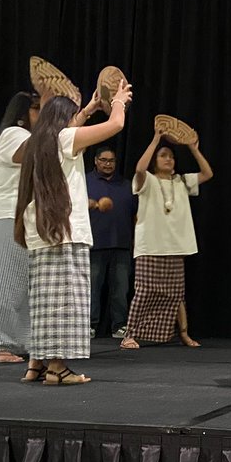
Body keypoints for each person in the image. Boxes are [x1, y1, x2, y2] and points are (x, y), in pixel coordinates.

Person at [15, 83, 131, 385]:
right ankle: (57, 368)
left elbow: (71, 128)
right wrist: (118, 102)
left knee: (43, 301)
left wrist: (90, 109)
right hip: (65, 232)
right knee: (65, 302)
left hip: (41, 231)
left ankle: (36, 364)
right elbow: (115, 125)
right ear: (64, 120)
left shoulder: (39, 142)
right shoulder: (65, 138)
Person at [120, 132, 213, 350]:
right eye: (163, 155)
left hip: (176, 246)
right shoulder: (148, 180)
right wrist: (155, 140)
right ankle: (130, 334)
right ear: (155, 161)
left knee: (176, 294)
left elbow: (207, 173)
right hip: (150, 245)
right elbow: (139, 169)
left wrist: (193, 148)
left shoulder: (182, 181)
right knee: (144, 291)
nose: (168, 159)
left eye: (171, 156)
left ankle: (184, 334)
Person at [0, 91, 39, 362]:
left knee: (18, 283)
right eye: (37, 109)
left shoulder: (23, 136)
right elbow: (31, 152)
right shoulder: (13, 133)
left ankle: (8, 342)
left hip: (17, 215)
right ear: (22, 114)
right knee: (3, 281)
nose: (41, 115)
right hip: (5, 214)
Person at [85, 144, 137, 340]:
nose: (108, 164)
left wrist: (134, 239)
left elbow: (135, 214)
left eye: (111, 161)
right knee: (92, 288)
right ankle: (89, 325)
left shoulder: (126, 185)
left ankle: (119, 325)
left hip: (121, 244)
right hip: (94, 244)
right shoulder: (85, 182)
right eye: (104, 160)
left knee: (121, 289)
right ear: (95, 161)